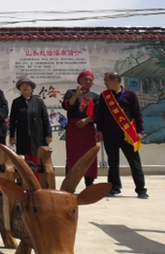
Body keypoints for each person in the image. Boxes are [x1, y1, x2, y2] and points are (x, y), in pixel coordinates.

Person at [95, 71, 147, 199]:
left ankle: (141, 190)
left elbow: (137, 114)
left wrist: (139, 131)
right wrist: (100, 131)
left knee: (134, 163)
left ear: (116, 80)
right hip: (109, 134)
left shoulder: (130, 95)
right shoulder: (105, 96)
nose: (104, 82)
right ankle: (114, 188)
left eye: (106, 80)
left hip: (127, 135)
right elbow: (100, 115)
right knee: (113, 163)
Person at [62, 71, 99, 188]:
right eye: (85, 79)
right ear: (79, 80)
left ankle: (89, 183)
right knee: (72, 155)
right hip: (74, 128)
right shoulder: (71, 92)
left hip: (88, 128)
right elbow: (67, 106)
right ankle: (69, 184)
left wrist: (87, 120)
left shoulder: (96, 96)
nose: (88, 82)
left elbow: (98, 113)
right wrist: (76, 95)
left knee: (89, 156)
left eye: (90, 80)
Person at [9, 77, 52, 171]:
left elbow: (45, 119)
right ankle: (25, 182)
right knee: (24, 159)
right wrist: (12, 136)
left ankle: (38, 182)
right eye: (22, 85)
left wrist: (48, 135)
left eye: (27, 85)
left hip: (38, 136)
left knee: (38, 158)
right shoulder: (16, 102)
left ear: (32, 88)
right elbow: (12, 121)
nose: (25, 87)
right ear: (19, 89)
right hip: (23, 136)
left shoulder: (39, 101)